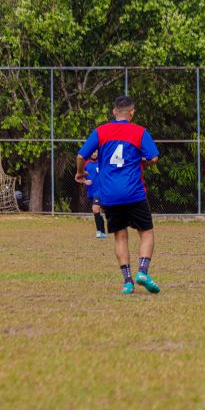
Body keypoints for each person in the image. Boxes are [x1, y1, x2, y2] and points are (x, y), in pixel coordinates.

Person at [75, 95, 160, 294]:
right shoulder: (140, 132)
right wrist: (146, 163)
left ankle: (128, 281)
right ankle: (143, 271)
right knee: (146, 232)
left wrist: (80, 172)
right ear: (132, 113)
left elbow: (81, 156)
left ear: (114, 112)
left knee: (120, 237)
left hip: (110, 195)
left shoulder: (101, 131)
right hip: (134, 192)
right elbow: (154, 156)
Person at [84, 150, 108, 238]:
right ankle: (103, 232)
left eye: (96, 152)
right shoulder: (85, 164)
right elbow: (79, 176)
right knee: (97, 212)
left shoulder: (101, 163)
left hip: (100, 191)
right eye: (92, 152)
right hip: (91, 192)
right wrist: (84, 181)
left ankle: (98, 231)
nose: (94, 153)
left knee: (95, 209)